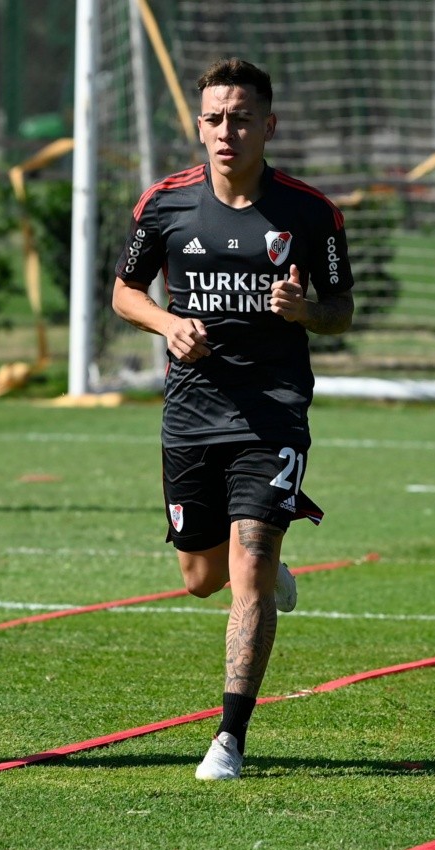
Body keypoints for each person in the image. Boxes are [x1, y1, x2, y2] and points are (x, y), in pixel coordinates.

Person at [112, 57, 354, 780]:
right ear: (199, 126)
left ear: (267, 126)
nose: (227, 131)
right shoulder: (164, 204)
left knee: (249, 566)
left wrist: (305, 310)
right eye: (215, 118)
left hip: (274, 412)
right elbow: (124, 293)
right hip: (191, 414)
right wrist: (167, 323)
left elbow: (341, 310)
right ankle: (270, 569)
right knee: (200, 576)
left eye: (241, 118)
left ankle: (229, 738)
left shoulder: (310, 212)